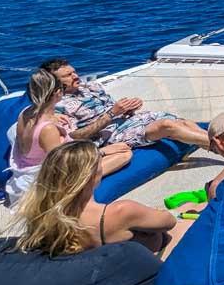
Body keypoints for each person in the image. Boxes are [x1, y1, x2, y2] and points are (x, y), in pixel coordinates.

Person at [12, 140, 189, 257]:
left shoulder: (40, 215)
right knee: (187, 217)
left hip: (100, 266)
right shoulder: (120, 212)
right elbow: (168, 222)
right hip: (148, 263)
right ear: (91, 175)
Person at [7, 69, 133, 207]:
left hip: (28, 167)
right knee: (125, 153)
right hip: (48, 180)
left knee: (120, 149)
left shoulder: (25, 113)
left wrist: (53, 117)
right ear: (58, 93)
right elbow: (62, 167)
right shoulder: (48, 129)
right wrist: (101, 152)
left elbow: (37, 131)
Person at [42, 58, 211, 151]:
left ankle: (220, 146)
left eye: (74, 71)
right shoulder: (59, 106)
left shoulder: (90, 87)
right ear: (55, 82)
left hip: (128, 121)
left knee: (181, 121)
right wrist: (111, 115)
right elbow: (75, 136)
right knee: (167, 125)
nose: (75, 76)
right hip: (111, 135)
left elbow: (114, 109)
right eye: (68, 75)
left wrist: (128, 108)